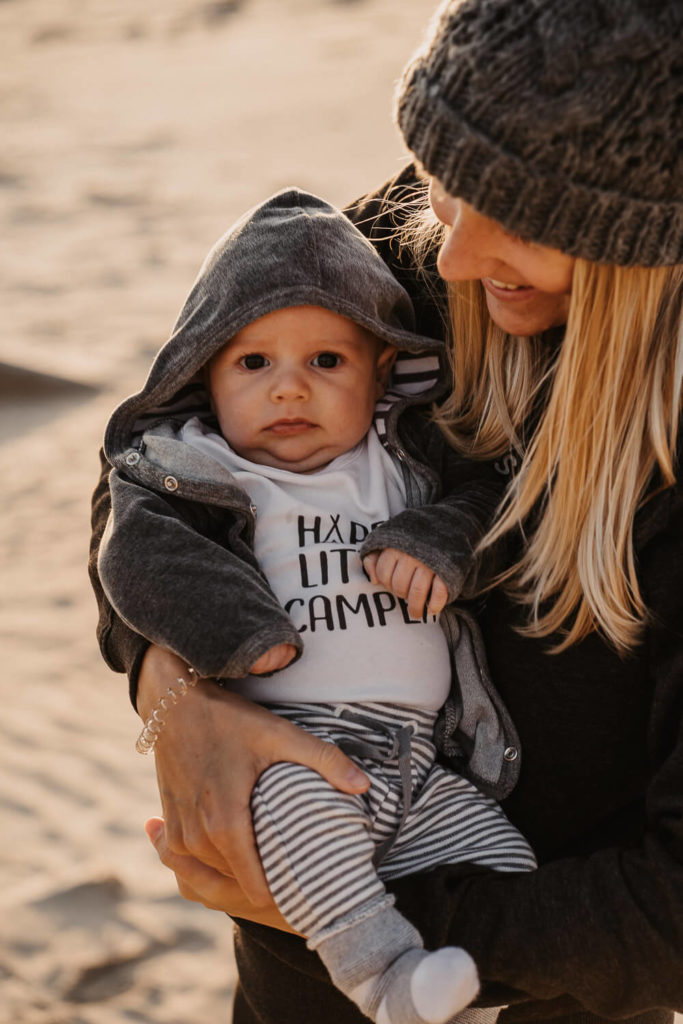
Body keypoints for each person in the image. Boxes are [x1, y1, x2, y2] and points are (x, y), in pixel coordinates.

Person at [88, 0, 683, 1021]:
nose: (447, 257)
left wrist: (343, 905)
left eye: (512, 217)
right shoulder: (413, 243)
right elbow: (149, 465)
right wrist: (173, 694)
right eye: (448, 188)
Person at [96, 188, 536, 1024]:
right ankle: (382, 979)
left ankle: (466, 1000)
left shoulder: (401, 459)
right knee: (306, 832)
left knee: (496, 855)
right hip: (297, 753)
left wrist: (440, 539)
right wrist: (234, 635)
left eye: (325, 362)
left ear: (380, 371)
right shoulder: (202, 468)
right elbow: (137, 549)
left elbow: (487, 500)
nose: (288, 390)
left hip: (422, 759)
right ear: (206, 376)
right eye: (252, 364)